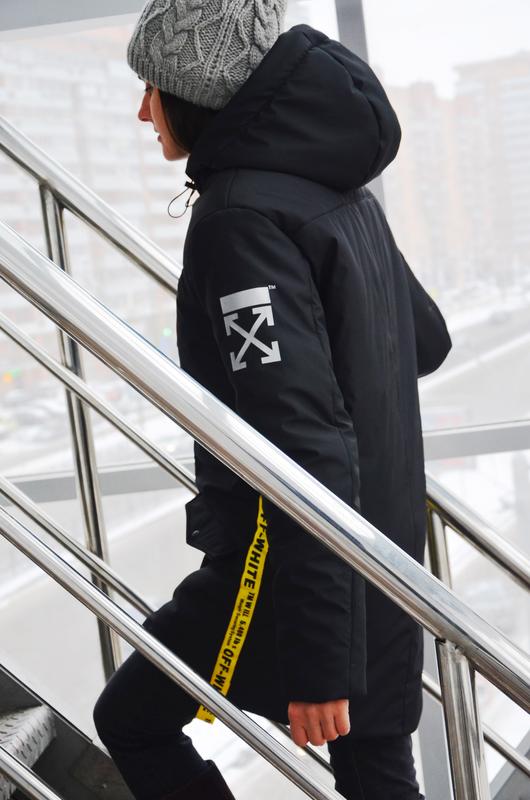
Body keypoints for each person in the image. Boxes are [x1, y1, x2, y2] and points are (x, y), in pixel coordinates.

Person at [93, 1, 452, 798]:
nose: (143, 111)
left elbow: (300, 441)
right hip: (377, 543)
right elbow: (423, 340)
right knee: (376, 772)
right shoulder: (331, 190)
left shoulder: (239, 218)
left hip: (291, 561)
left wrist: (321, 662)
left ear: (194, 91)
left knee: (133, 718)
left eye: (151, 88)